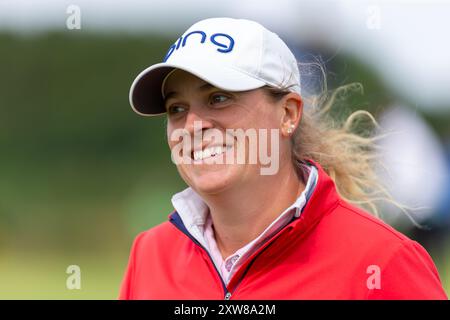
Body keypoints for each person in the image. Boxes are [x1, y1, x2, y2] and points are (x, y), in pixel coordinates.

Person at [119, 17, 448, 299]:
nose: (192, 125)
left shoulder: (384, 260)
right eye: (177, 108)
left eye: (218, 98)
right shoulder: (150, 254)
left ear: (288, 113)